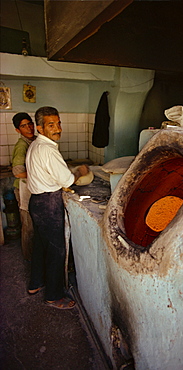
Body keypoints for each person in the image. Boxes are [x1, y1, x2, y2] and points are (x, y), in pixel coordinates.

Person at [26, 106, 89, 310]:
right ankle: (53, 296)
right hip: (48, 204)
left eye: (59, 123)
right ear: (40, 128)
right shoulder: (48, 150)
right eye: (51, 125)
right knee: (56, 250)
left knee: (40, 245)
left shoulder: (36, 146)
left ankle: (35, 284)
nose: (57, 128)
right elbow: (68, 181)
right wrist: (79, 171)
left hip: (36, 202)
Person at [12, 112, 36, 261]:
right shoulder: (22, 145)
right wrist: (41, 174)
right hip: (23, 189)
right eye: (23, 126)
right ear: (17, 130)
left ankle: (35, 258)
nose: (28, 128)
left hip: (31, 188)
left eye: (30, 124)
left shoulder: (33, 141)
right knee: (28, 227)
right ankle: (29, 260)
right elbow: (18, 172)